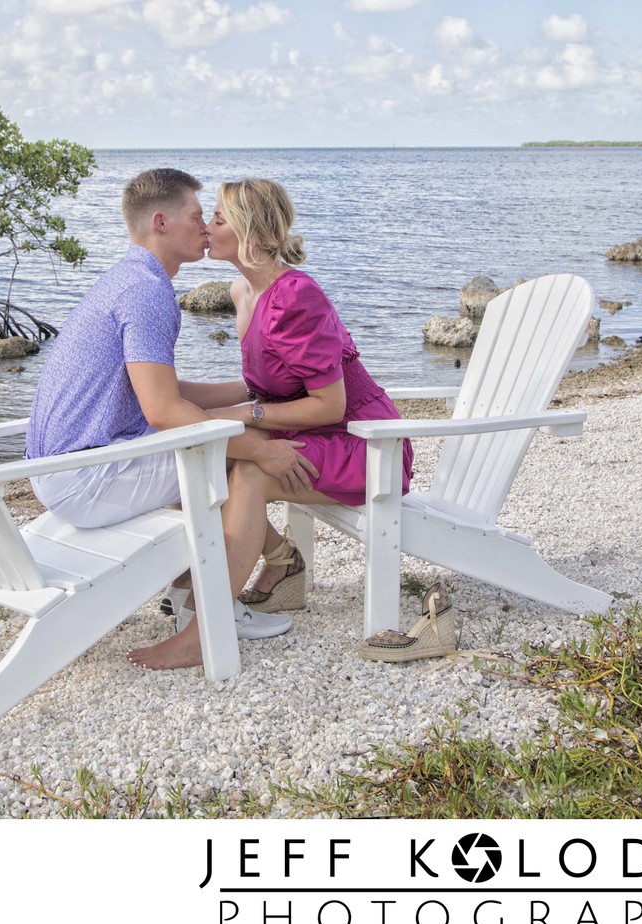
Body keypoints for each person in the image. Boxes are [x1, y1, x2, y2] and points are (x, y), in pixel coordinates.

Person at [126, 178, 421, 671]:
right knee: (205, 451)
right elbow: (262, 388)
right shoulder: (243, 290)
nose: (205, 227)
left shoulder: (295, 297)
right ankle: (255, 567)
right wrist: (166, 398)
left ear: (252, 234)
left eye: (217, 219)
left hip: (363, 443)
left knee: (252, 469)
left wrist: (246, 416)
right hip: (312, 432)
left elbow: (329, 404)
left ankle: (205, 631)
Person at [26, 168, 317, 644]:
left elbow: (163, 389)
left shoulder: (127, 278)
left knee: (216, 444)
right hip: (87, 479)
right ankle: (214, 604)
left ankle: (197, 588)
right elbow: (163, 410)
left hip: (61, 470)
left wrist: (248, 391)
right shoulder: (147, 292)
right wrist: (259, 450)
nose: (205, 227)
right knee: (232, 456)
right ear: (160, 222)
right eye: (197, 216)